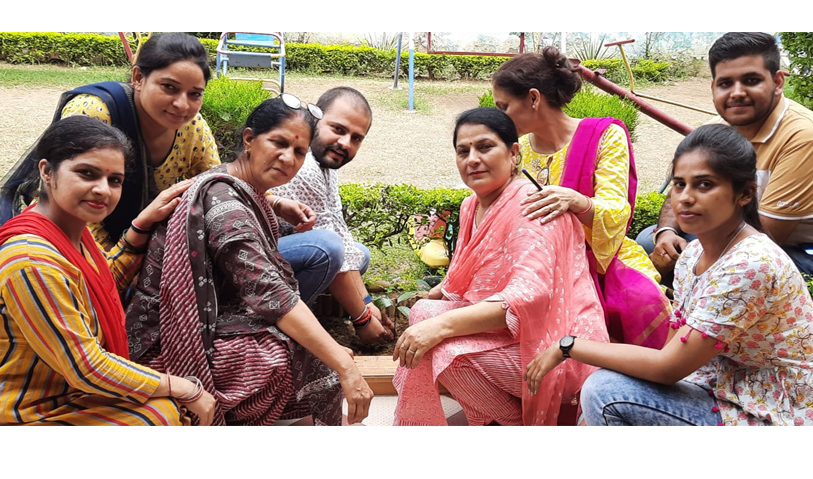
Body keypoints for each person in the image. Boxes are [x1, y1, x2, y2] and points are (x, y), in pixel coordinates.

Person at [526, 124, 813, 426]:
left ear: (744, 194)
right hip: (719, 389)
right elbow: (671, 351)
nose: (686, 198)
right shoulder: (693, 255)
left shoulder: (749, 264)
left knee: (605, 392)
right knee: (605, 388)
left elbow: (667, 367)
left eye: (704, 185)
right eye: (679, 184)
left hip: (770, 414)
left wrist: (568, 346)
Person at [125, 96, 374, 426]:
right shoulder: (225, 204)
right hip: (165, 341)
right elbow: (272, 295)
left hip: (214, 314)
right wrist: (344, 366)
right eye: (279, 143)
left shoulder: (243, 185)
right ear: (249, 139)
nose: (288, 158)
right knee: (287, 355)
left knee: (309, 347)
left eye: (299, 152)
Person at [391, 108, 609, 426]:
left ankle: (510, 424)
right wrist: (434, 301)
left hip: (559, 346)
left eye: (485, 147)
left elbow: (529, 296)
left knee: (444, 352)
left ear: (513, 152)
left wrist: (439, 327)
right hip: (512, 334)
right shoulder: (471, 205)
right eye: (463, 151)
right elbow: (466, 272)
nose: (473, 159)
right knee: (423, 313)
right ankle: (496, 414)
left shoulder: (530, 207)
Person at [0, 115, 216, 426]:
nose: (103, 190)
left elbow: (99, 284)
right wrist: (182, 387)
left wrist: (141, 223)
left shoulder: (70, 233)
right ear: (47, 171)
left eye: (114, 180)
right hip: (29, 411)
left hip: (69, 396)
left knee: (165, 407)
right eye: (87, 174)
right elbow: (85, 366)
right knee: (160, 414)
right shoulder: (33, 260)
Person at [490, 47, 670, 348]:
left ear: (534, 99)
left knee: (640, 300)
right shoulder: (514, 151)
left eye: (504, 106)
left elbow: (616, 209)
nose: (500, 118)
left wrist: (577, 201)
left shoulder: (605, 135)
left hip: (602, 263)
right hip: (539, 268)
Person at [0, 32, 219, 249]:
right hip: (72, 238)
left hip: (137, 242)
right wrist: (120, 262)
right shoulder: (94, 112)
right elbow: (74, 206)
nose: (182, 104)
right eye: (169, 87)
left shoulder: (192, 126)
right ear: (138, 78)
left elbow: (214, 185)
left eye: (195, 94)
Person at [641, 32, 813, 279]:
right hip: (730, 228)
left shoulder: (803, 136)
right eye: (725, 83)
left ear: (777, 82)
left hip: (793, 249)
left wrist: (692, 256)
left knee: (733, 268)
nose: (737, 93)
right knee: (651, 241)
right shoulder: (717, 129)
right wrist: (666, 232)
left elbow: (766, 238)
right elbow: (680, 189)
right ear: (713, 88)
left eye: (751, 80)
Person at [270, 87, 395, 345]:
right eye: (338, 129)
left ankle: (309, 309)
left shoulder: (326, 163)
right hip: (253, 264)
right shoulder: (304, 167)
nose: (345, 143)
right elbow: (331, 243)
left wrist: (368, 303)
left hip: (281, 254)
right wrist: (361, 318)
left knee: (359, 253)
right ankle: (282, 324)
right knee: (327, 249)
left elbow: (338, 227)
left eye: (356, 138)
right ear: (315, 119)